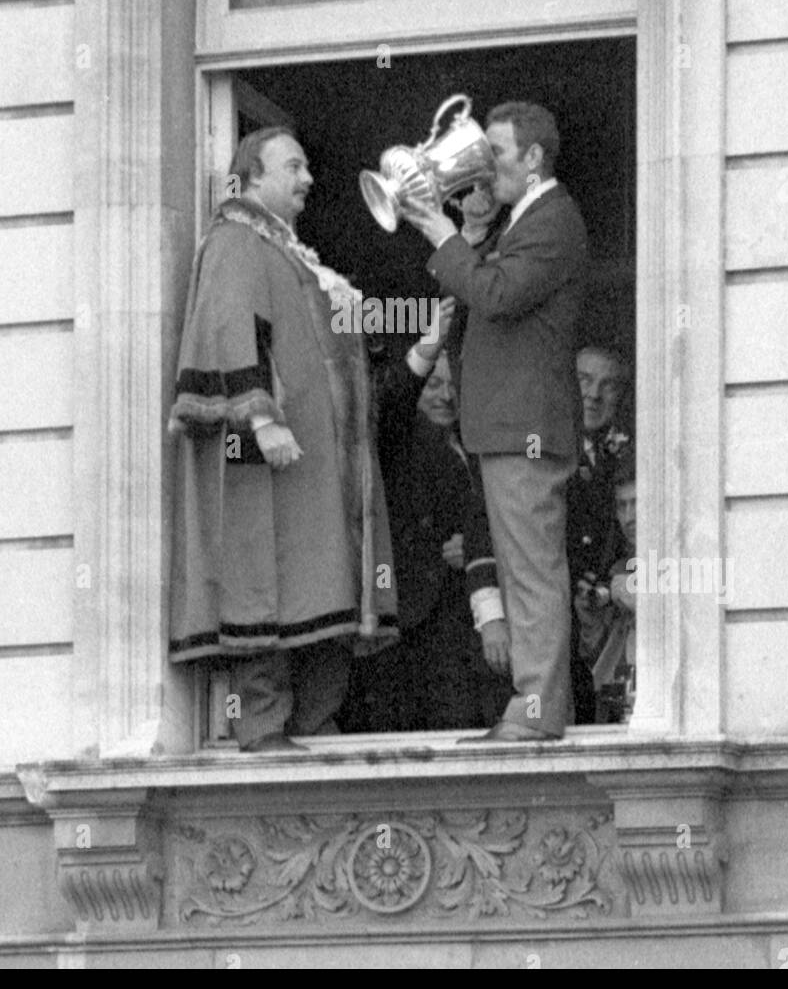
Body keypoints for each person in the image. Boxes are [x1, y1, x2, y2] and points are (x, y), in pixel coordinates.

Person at [168, 126, 396, 752]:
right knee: (264, 584)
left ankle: (313, 722)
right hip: (263, 459)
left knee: (322, 591)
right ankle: (262, 726)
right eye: (294, 167)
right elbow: (231, 328)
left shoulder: (288, 250)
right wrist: (262, 421)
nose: (308, 179)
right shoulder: (236, 240)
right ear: (253, 177)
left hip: (317, 468)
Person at [404, 100, 588, 742]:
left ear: (534, 158)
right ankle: (530, 706)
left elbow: (495, 294)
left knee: (533, 574)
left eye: (499, 154)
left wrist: (437, 228)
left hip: (524, 427)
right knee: (524, 571)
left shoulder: (552, 219)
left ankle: (536, 711)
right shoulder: (529, 219)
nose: (489, 168)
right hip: (511, 428)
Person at [344, 343, 510, 732]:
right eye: (433, 384)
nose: (446, 396)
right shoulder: (395, 436)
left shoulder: (477, 444)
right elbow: (395, 399)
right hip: (408, 620)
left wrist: (475, 551)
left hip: (466, 620)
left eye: (454, 386)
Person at [567, 345, 632, 722]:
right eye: (584, 380)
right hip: (559, 618)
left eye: (608, 386)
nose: (593, 394)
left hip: (613, 620)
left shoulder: (625, 455)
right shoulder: (542, 447)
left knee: (610, 717)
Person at [573, 449, 637, 722]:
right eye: (622, 506)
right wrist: (589, 618)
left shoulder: (682, 556)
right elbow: (597, 656)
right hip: (618, 698)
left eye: (636, 503)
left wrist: (617, 589)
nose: (629, 516)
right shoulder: (618, 566)